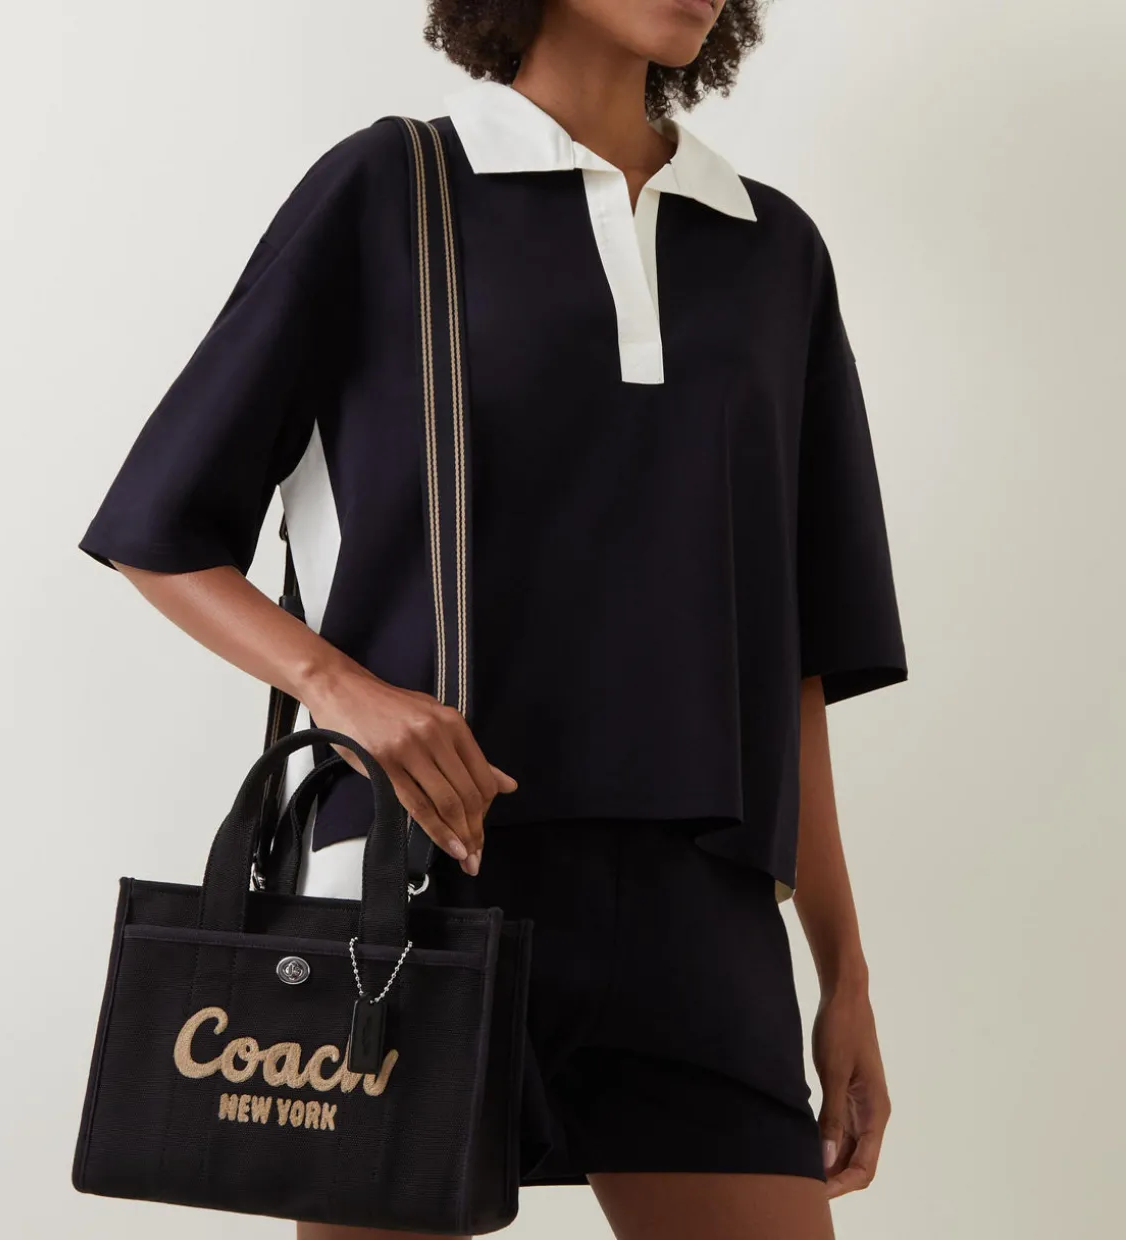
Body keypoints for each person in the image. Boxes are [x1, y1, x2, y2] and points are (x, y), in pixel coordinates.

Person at [77, 2, 908, 1237]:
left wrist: (843, 972)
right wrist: (345, 692)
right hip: (417, 883)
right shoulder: (389, 189)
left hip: (700, 914)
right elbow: (161, 528)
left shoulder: (770, 248)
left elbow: (796, 655)